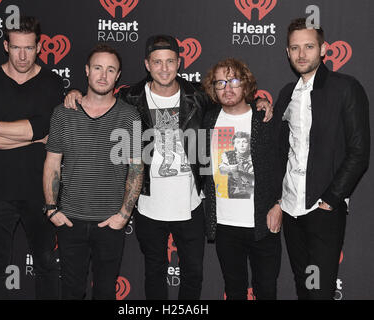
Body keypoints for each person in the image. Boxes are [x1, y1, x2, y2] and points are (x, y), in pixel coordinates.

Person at [63, 35, 273, 300]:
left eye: (170, 61)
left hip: (192, 203)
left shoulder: (197, 95)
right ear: (147, 65)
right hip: (149, 204)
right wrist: (74, 94)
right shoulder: (130, 97)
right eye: (157, 62)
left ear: (179, 63)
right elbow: (99, 99)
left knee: (193, 274)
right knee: (154, 273)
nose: (164, 68)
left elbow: (231, 101)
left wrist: (258, 103)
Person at [0, 16, 63, 299]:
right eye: (16, 47)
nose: (22, 55)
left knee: (46, 265)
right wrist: (31, 135)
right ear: (6, 45)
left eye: (29, 48)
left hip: (41, 190)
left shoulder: (53, 84)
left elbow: (46, 129)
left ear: (39, 47)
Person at [274, 18, 370, 300]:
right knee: (303, 287)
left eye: (309, 46)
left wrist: (330, 199)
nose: (301, 54)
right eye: (295, 48)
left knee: (320, 290)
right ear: (287, 52)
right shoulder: (286, 94)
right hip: (291, 209)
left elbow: (359, 151)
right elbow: (279, 146)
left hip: (322, 209)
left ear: (323, 49)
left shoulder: (346, 88)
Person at [43, 43, 143, 300]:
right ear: (87, 70)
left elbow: (136, 167)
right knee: (71, 292)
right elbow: (52, 162)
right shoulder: (63, 113)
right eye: (98, 68)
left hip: (109, 222)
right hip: (70, 221)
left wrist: (124, 214)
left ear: (118, 75)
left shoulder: (129, 115)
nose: (103, 75)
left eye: (111, 70)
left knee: (105, 292)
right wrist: (51, 208)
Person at [201, 58, 282, 300]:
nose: (227, 88)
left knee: (266, 291)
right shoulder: (208, 120)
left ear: (245, 84)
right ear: (213, 89)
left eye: (234, 80)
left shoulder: (263, 120)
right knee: (234, 290)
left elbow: (284, 164)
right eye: (220, 82)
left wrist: (279, 204)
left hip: (263, 223)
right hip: (225, 225)